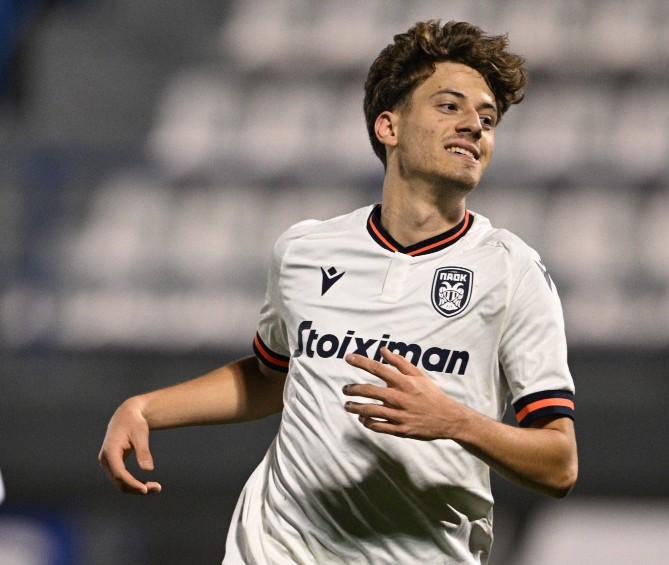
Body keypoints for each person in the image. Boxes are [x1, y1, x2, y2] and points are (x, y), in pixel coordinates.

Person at [98, 20, 577, 564]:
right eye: (449, 107)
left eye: (487, 119)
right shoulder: (305, 250)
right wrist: (145, 407)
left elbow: (559, 464)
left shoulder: (512, 271)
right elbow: (271, 377)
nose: (474, 126)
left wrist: (454, 421)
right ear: (388, 126)